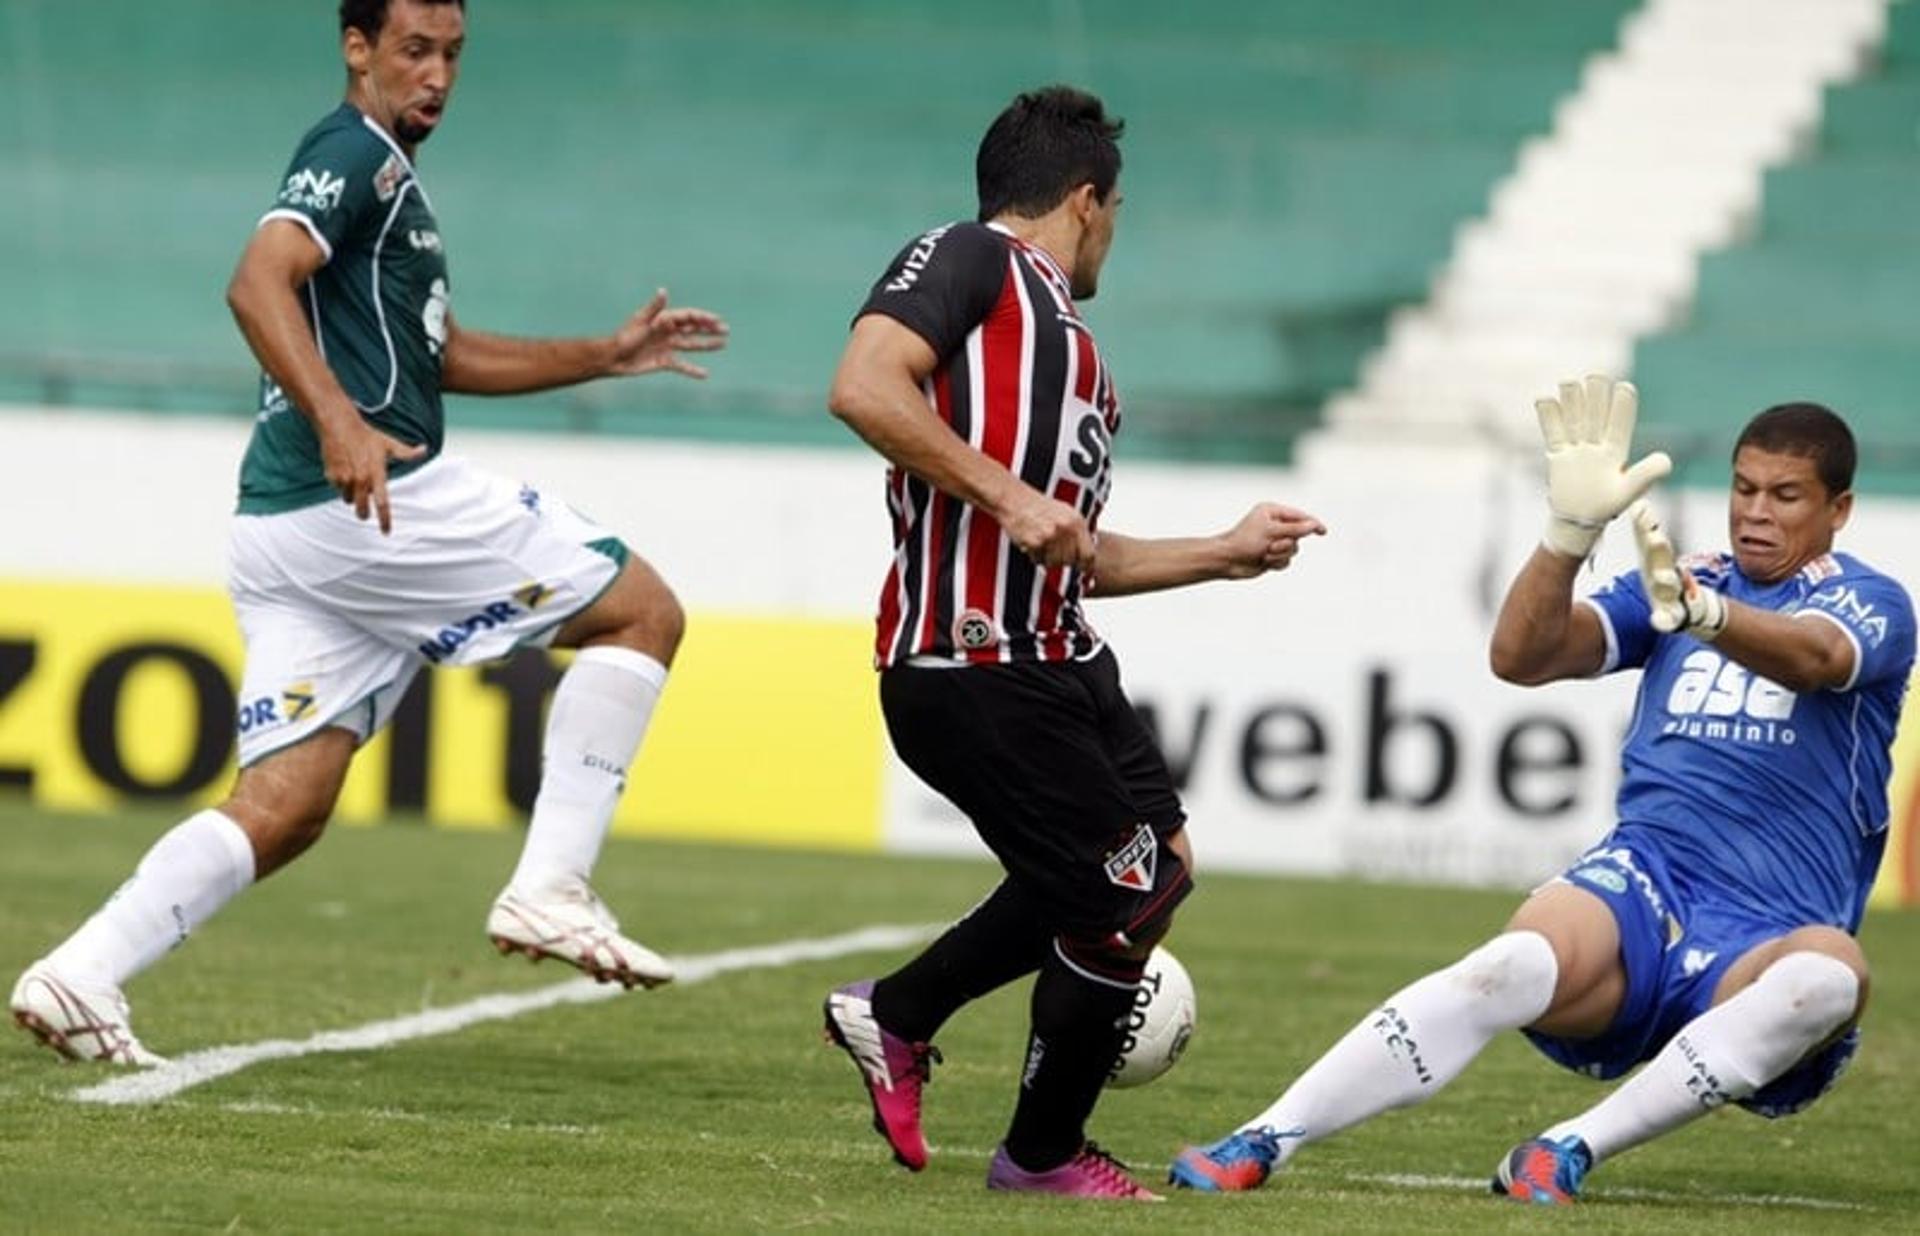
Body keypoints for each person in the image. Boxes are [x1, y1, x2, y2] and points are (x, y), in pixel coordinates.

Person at [10, 0, 727, 1065]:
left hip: (286, 530)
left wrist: (600, 354)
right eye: (414, 50)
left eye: (452, 54)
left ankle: (78, 973)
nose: (438, 74)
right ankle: (550, 886)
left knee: (287, 805)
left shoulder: (391, 178)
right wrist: (341, 423)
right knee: (643, 612)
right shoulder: (353, 153)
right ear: (357, 48)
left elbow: (437, 359)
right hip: (358, 500)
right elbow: (256, 281)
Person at [1170, 379, 1914, 1204]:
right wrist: (1568, 534)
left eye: (1785, 496)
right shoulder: (1681, 579)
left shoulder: (1869, 602)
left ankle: (1565, 1148)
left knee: (1832, 978)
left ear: (1838, 509)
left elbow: (1815, 658)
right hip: (1649, 884)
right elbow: (1523, 656)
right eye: (1744, 489)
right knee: (1510, 964)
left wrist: (1705, 617)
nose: (1756, 513)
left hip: (1769, 931)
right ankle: (1267, 1136)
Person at [819, 85, 1327, 1201]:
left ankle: (895, 1014)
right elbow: (861, 386)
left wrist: (1222, 551)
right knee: (1120, 900)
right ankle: (1040, 1155)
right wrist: (1005, 497)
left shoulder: (1075, 354)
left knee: (1161, 868)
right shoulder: (971, 259)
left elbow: (1072, 548)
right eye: (1119, 208)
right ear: (1087, 200)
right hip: (971, 663)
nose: (1116, 230)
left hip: (1058, 653)